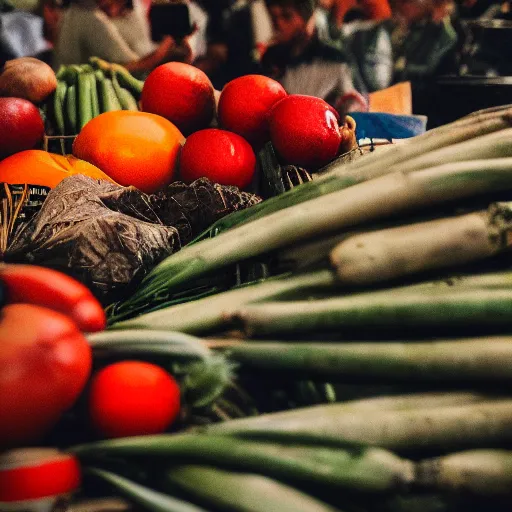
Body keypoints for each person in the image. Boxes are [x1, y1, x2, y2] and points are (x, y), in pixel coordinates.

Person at [261, 0, 367, 113]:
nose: (278, 25)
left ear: (309, 17)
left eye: (287, 16)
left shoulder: (335, 58)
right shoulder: (271, 57)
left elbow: (356, 105)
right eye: (273, 17)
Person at [54, 0, 192, 73]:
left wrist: (176, 48)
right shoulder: (86, 16)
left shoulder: (136, 8)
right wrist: (164, 48)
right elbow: (129, 69)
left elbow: (143, 53)